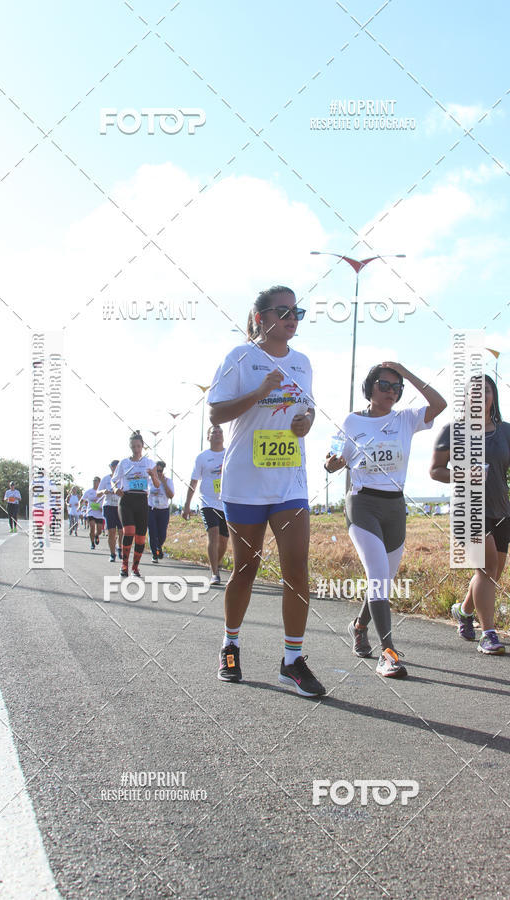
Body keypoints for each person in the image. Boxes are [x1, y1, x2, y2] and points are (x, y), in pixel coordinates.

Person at [208, 285, 325, 697]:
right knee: (246, 567)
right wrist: (259, 392)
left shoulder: (302, 362)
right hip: (245, 481)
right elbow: (216, 412)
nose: (292, 318)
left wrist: (306, 421)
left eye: (297, 312)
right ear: (261, 318)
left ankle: (292, 661)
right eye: (283, 311)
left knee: (297, 568)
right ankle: (230, 645)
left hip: (289, 481)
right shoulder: (240, 357)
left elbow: (308, 407)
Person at [326, 362, 446, 678]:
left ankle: (359, 626)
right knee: (378, 576)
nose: (391, 391)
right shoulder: (352, 421)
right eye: (384, 385)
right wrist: (334, 463)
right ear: (370, 388)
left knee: (383, 582)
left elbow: (439, 404)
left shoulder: (405, 419)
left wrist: (406, 372)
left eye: (397, 387)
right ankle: (388, 653)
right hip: (362, 504)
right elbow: (330, 459)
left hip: (395, 507)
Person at [430, 374, 510, 654]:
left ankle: (463, 611)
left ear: (493, 397)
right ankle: (488, 634)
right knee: (486, 568)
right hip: (468, 510)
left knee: (493, 573)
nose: (480, 395)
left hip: (500, 510)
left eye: (485, 391)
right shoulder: (452, 431)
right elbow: (436, 470)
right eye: (474, 391)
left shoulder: (506, 432)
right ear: (465, 399)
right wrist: (463, 474)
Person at [183, 424, 229, 585]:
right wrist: (187, 505)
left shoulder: (229, 453)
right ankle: (215, 573)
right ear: (208, 437)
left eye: (220, 431)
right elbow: (193, 481)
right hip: (207, 501)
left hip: (226, 502)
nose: (217, 434)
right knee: (213, 533)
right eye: (214, 432)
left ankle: (216, 561)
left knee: (224, 540)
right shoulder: (202, 457)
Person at [112, 431, 163, 577]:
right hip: (127, 499)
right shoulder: (124, 463)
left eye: (138, 446)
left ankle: (135, 567)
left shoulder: (149, 463)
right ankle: (124, 565)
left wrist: (153, 475)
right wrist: (115, 489)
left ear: (143, 446)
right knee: (129, 531)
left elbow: (157, 484)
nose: (136, 449)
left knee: (140, 537)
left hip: (141, 500)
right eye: (133, 446)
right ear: (130, 447)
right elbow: (114, 480)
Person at [147, 461, 174, 563]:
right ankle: (154, 554)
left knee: (162, 534)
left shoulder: (168, 481)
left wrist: (164, 483)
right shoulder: (149, 481)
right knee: (152, 532)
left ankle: (159, 547)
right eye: (157, 471)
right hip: (151, 509)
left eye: (160, 471)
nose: (158, 473)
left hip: (163, 510)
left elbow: (171, 495)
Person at [97, 461, 123, 562]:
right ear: (111, 467)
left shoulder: (123, 478)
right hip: (109, 506)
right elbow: (98, 493)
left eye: (117, 467)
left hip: (120, 507)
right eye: (113, 467)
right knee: (111, 532)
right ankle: (112, 554)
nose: (115, 469)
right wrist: (103, 491)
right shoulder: (106, 479)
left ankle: (120, 547)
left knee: (122, 531)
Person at [81, 478, 104, 549]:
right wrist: (79, 507)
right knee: (92, 527)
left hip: (99, 512)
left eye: (96, 481)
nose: (94, 482)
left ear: (99, 482)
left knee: (99, 531)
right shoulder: (89, 491)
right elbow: (82, 500)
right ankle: (92, 543)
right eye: (93, 481)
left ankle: (96, 535)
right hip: (90, 512)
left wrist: (103, 508)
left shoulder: (102, 491)